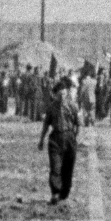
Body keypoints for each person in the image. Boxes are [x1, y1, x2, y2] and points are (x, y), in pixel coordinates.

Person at [37, 75, 83, 205]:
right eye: (59, 93)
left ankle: (64, 192)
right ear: (55, 95)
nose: (61, 95)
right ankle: (55, 193)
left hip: (69, 138)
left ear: (66, 92)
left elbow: (78, 123)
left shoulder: (73, 106)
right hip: (55, 139)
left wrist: (76, 137)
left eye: (63, 92)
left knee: (68, 168)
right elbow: (46, 124)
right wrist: (41, 140)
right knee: (55, 167)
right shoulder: (51, 107)